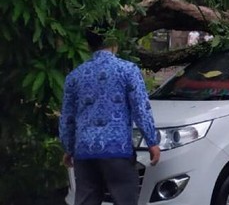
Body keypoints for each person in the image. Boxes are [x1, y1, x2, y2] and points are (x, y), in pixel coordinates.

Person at [60, 27, 161, 205]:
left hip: (85, 151)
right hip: (118, 150)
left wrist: (68, 148)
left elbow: (67, 117)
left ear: (88, 46)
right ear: (114, 42)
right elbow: (140, 108)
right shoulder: (128, 70)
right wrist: (152, 141)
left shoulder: (74, 77)